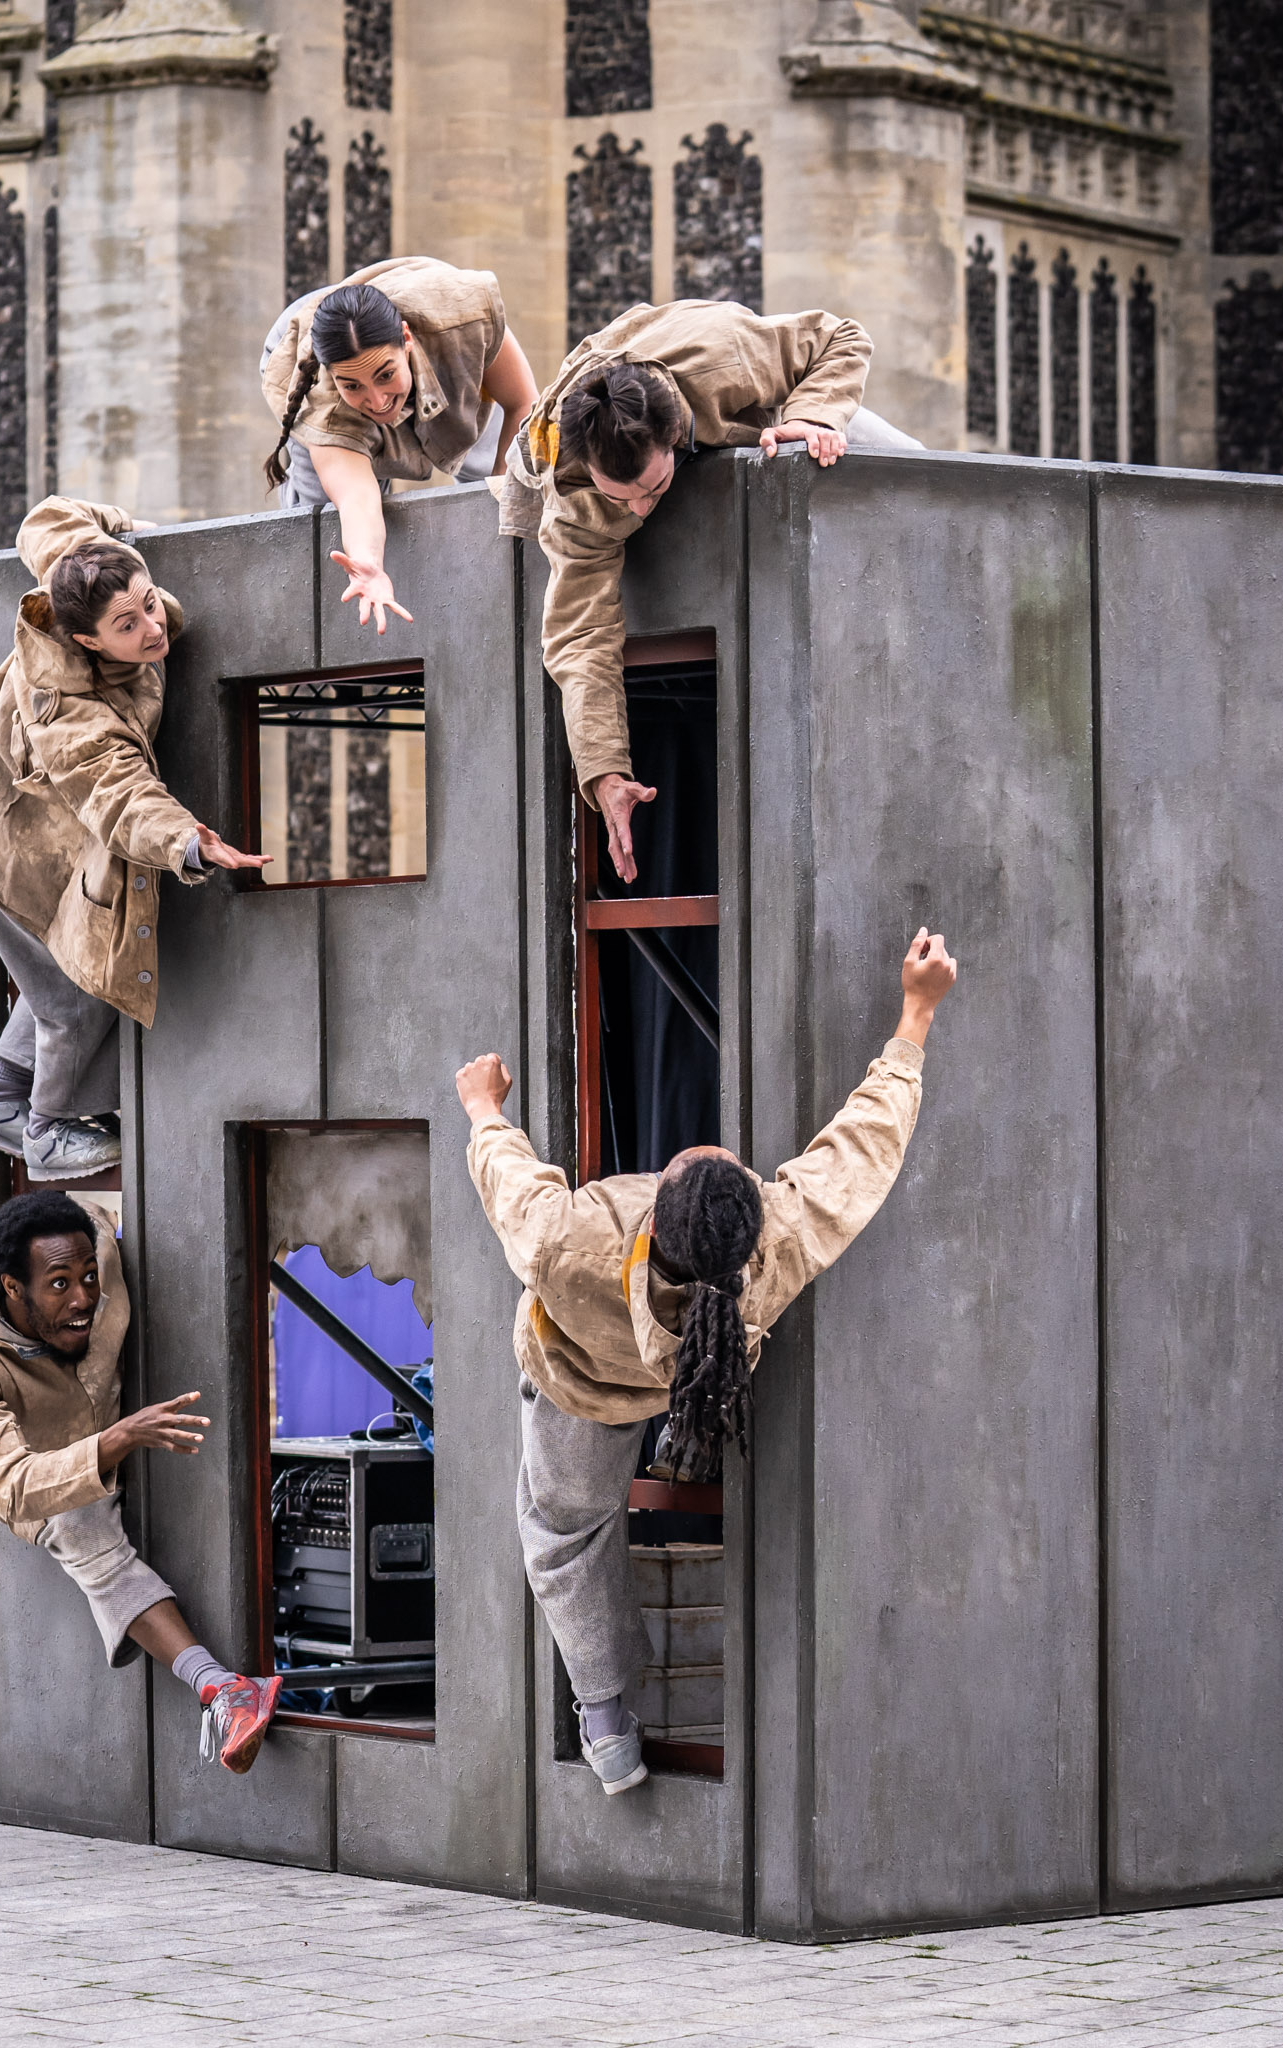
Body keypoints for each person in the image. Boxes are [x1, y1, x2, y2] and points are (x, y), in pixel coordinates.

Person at [457, 926, 959, 1795]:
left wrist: (483, 1110)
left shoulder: (568, 1239)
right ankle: (684, 1437)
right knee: (594, 1504)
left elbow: (513, 1185)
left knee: (564, 1538)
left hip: (578, 1387)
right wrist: (916, 1015)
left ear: (654, 1213)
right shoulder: (770, 1258)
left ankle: (609, 1725)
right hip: (699, 1379)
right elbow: (858, 1152)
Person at [498, 299, 922, 884]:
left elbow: (840, 335)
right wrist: (604, 770)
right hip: (605, 434)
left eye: (651, 488)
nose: (641, 509)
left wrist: (817, 417)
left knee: (922, 477)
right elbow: (579, 637)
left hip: (769, 403)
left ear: (673, 438)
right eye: (622, 498)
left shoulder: (723, 358)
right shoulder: (575, 496)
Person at [0, 497, 267, 1182]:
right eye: (128, 625)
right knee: (77, 991)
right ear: (87, 641)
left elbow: (46, 516)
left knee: (58, 975)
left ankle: (0, 1098)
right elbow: (118, 791)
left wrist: (118, 521)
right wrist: (188, 843)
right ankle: (46, 1130)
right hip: (3, 836)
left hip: (27, 817)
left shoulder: (81, 569)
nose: (152, 627)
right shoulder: (68, 707)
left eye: (148, 605)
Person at [0, 1188, 282, 1773]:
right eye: (59, 1284)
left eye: (89, 1276)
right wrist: (116, 1440)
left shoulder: (90, 1237)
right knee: (78, 1523)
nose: (85, 1297)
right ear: (13, 1288)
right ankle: (221, 1690)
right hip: (45, 1477)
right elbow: (3, 1485)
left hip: (125, 1427)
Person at [261, 256, 540, 635]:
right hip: (295, 349)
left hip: (434, 334)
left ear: (405, 339)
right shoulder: (322, 398)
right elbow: (357, 497)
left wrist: (508, 512)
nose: (377, 401)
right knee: (322, 520)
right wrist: (370, 565)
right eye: (353, 386)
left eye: (385, 375)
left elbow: (524, 404)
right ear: (334, 379)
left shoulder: (465, 316)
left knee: (505, 463)